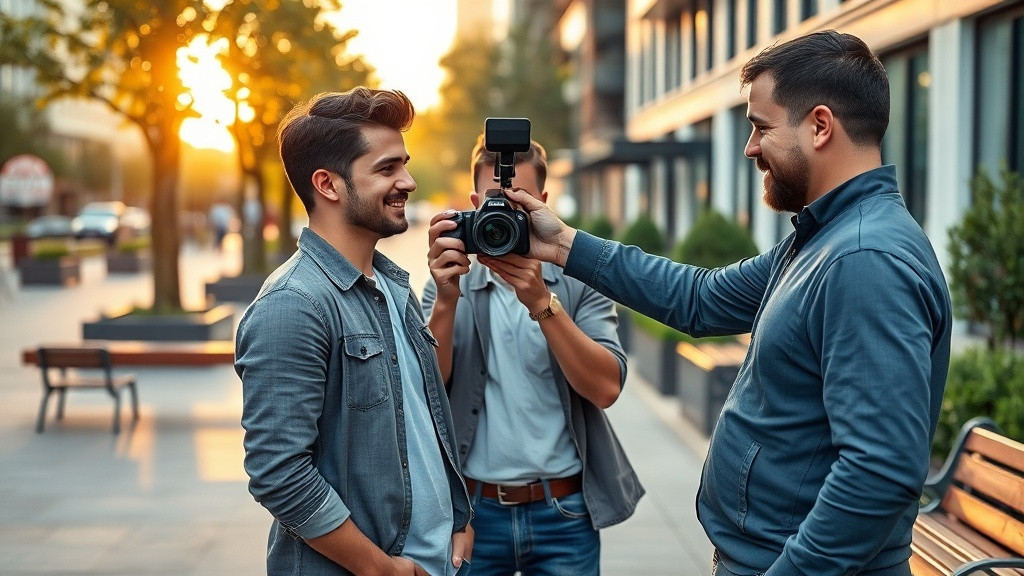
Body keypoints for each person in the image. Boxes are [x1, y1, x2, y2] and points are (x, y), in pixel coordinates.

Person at [501, 30, 952, 576]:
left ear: (820, 125)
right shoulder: (823, 239)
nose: (750, 147)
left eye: (761, 127)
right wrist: (562, 244)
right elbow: (700, 298)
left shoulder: (862, 258)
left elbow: (879, 472)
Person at [235, 87, 473, 576]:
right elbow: (278, 473)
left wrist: (458, 516)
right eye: (387, 169)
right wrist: (380, 569)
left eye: (404, 164)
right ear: (328, 184)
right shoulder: (293, 305)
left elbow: (420, 415)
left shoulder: (392, 285)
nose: (408, 181)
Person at [422, 135, 643, 576]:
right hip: (475, 514)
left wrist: (542, 302)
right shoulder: (452, 281)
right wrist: (445, 302)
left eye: (519, 204)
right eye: (494, 203)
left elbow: (605, 388)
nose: (505, 218)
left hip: (563, 511)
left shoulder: (579, 280)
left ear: (543, 203)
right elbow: (428, 387)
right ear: (473, 206)